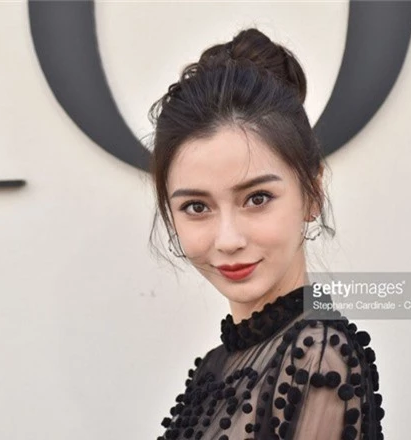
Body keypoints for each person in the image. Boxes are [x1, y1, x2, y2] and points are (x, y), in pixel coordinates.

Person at [147, 28, 384, 440]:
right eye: (197, 207)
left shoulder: (317, 356)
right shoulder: (216, 365)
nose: (228, 239)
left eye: (257, 199)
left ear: (312, 193)